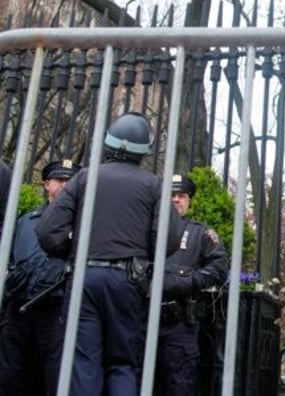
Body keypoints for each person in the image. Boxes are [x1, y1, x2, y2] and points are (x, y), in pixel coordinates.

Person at [36, 112, 183, 395]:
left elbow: (48, 231)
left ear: (108, 142)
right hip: (127, 281)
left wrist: (75, 252)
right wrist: (143, 256)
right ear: (144, 150)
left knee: (82, 361)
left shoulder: (84, 178)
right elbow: (170, 238)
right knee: (123, 363)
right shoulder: (153, 185)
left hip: (85, 278)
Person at [0, 158, 80, 395]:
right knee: (9, 374)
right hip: (19, 308)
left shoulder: (83, 226)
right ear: (46, 184)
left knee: (53, 377)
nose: (65, 185)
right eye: (60, 180)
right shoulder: (26, 221)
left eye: (70, 181)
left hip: (55, 309)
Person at [154, 173, 228, 395]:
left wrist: (190, 281)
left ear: (189, 200)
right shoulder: (148, 229)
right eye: (171, 195)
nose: (176, 200)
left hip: (180, 323)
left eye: (181, 195)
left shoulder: (200, 233)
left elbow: (219, 267)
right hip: (144, 319)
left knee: (181, 384)